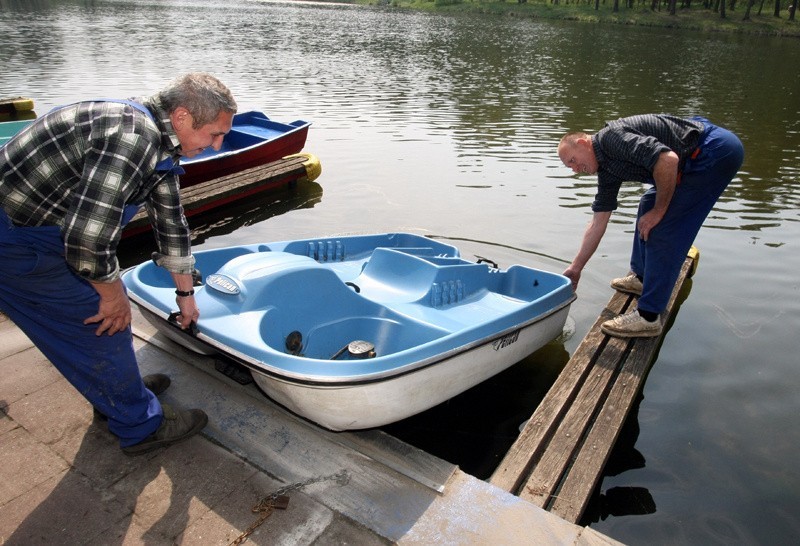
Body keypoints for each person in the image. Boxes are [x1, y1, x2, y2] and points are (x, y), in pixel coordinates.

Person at [0, 72, 237, 454]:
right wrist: (113, 297)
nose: (216, 145)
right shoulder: (133, 138)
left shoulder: (157, 138)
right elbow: (87, 242)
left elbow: (170, 221)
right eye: (213, 134)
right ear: (181, 117)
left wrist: (186, 294)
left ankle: (118, 393)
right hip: (15, 238)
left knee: (100, 315)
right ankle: (139, 423)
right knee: (104, 319)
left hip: (40, 229)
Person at [558, 114, 744, 338]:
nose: (575, 170)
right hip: (694, 157)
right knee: (648, 204)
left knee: (663, 226)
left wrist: (659, 211)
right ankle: (642, 279)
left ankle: (648, 317)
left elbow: (668, 160)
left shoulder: (611, 139)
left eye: (572, 161)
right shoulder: (607, 169)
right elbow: (598, 221)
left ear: (582, 143)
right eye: (570, 167)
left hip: (712, 151)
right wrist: (576, 268)